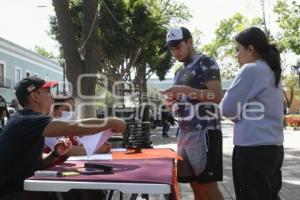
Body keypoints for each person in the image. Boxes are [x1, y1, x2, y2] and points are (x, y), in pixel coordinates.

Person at [0, 76, 126, 200]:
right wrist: (110, 122)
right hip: (13, 193)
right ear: (35, 96)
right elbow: (75, 126)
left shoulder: (26, 120)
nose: (52, 97)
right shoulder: (28, 120)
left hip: (23, 188)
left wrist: (55, 154)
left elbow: (37, 163)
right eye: (48, 92)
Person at [219, 27, 284, 200]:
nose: (236, 55)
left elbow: (226, 109)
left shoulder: (250, 70)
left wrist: (236, 115)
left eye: (237, 49)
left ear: (250, 49)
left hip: (252, 149)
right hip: (274, 148)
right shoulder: (272, 70)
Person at [163, 27, 223, 200]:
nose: (175, 52)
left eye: (178, 47)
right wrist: (170, 103)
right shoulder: (179, 71)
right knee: (195, 185)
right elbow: (179, 105)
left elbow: (216, 95)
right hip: (183, 133)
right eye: (172, 49)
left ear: (190, 41)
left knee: (208, 186)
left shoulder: (206, 62)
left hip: (204, 132)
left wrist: (183, 89)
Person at [44, 94, 111, 158]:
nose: (71, 112)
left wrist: (99, 144)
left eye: (73, 109)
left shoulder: (71, 129)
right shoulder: (48, 128)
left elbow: (81, 145)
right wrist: (96, 148)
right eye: (67, 109)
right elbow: (68, 151)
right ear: (54, 111)